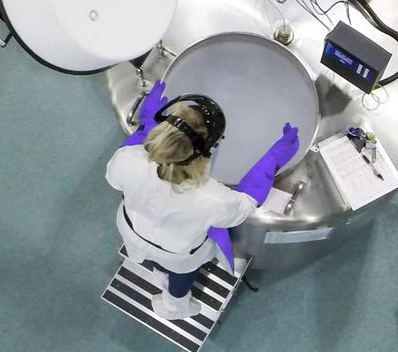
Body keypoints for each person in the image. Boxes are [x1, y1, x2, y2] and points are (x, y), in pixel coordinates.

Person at [105, 80, 299, 320]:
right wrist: (273, 159)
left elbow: (114, 179)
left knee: (151, 257)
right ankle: (174, 308)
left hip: (132, 229)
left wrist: (145, 128)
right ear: (209, 150)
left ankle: (157, 270)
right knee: (181, 277)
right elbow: (246, 204)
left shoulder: (128, 159)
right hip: (177, 253)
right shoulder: (213, 198)